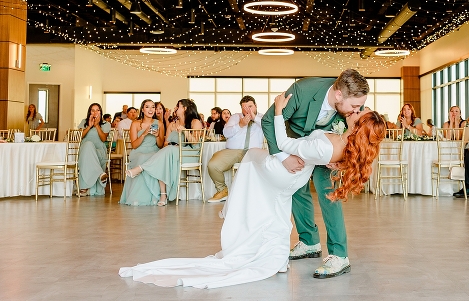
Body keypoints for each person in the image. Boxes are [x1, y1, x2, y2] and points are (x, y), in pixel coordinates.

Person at [119, 92, 386, 289]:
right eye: (358, 107)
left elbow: (282, 142)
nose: (356, 110)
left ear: (359, 126)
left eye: (359, 112)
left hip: (286, 170)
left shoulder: (332, 143)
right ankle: (277, 256)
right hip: (294, 178)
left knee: (249, 160)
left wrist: (279, 110)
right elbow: (325, 152)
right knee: (277, 205)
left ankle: (234, 211)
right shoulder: (343, 142)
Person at [261, 68, 369, 279]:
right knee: (297, 189)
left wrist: (343, 161)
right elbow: (268, 119)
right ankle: (309, 241)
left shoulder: (352, 102)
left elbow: (361, 136)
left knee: (329, 192)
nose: (358, 109)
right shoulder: (302, 90)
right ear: (339, 95)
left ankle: (340, 255)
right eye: (355, 106)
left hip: (327, 146)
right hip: (295, 143)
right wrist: (284, 157)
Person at [125, 99, 203, 205]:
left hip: (189, 153)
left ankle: (140, 168)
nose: (175, 108)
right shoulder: (172, 124)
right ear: (142, 109)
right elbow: (165, 144)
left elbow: (195, 142)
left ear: (185, 108)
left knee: (165, 153)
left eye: (177, 106)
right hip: (172, 152)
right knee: (165, 156)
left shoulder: (195, 122)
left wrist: (184, 131)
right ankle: (163, 195)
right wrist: (171, 144)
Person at [207, 96, 265, 203]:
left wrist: (254, 118)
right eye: (244, 107)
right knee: (213, 165)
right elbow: (226, 133)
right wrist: (240, 125)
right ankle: (222, 190)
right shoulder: (235, 117)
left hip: (253, 152)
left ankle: (256, 196)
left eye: (250, 106)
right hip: (233, 151)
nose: (247, 109)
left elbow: (269, 127)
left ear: (256, 106)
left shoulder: (263, 118)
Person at [120, 99, 166, 206]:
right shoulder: (135, 124)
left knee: (153, 157)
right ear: (142, 109)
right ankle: (138, 197)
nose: (151, 109)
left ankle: (153, 196)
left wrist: (157, 136)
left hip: (154, 151)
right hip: (138, 151)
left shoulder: (159, 124)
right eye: (147, 107)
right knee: (143, 158)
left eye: (153, 107)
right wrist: (144, 134)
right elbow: (134, 145)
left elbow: (160, 145)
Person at [77, 103, 112, 196]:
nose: (95, 112)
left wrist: (97, 126)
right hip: (84, 151)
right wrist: (89, 126)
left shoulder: (106, 124)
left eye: (97, 110)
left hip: (99, 151)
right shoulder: (84, 121)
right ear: (89, 112)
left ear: (100, 112)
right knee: (87, 146)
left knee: (88, 149)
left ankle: (83, 188)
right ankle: (100, 173)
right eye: (93, 110)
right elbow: (80, 137)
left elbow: (103, 139)